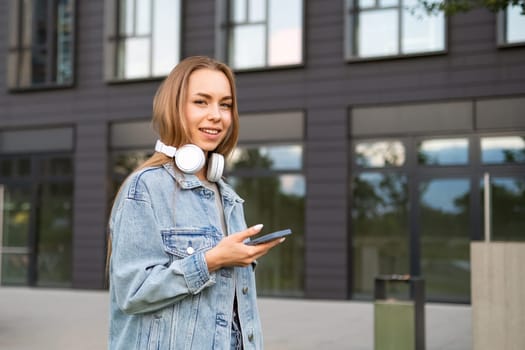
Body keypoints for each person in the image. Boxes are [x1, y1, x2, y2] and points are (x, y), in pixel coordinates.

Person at [107, 56, 285, 350]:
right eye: (201, 102)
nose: (216, 115)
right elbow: (132, 292)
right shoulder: (145, 188)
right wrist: (212, 260)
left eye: (225, 104)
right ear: (175, 108)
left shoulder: (226, 194)